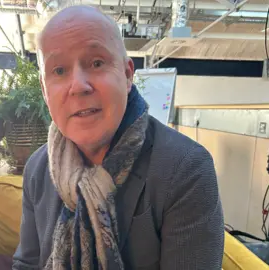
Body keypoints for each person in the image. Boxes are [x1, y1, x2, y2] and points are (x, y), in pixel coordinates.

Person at [12, 5, 224, 270]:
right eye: (59, 71)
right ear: (44, 90)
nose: (78, 85)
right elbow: (27, 264)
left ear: (127, 75)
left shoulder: (185, 169)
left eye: (96, 63)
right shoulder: (38, 168)